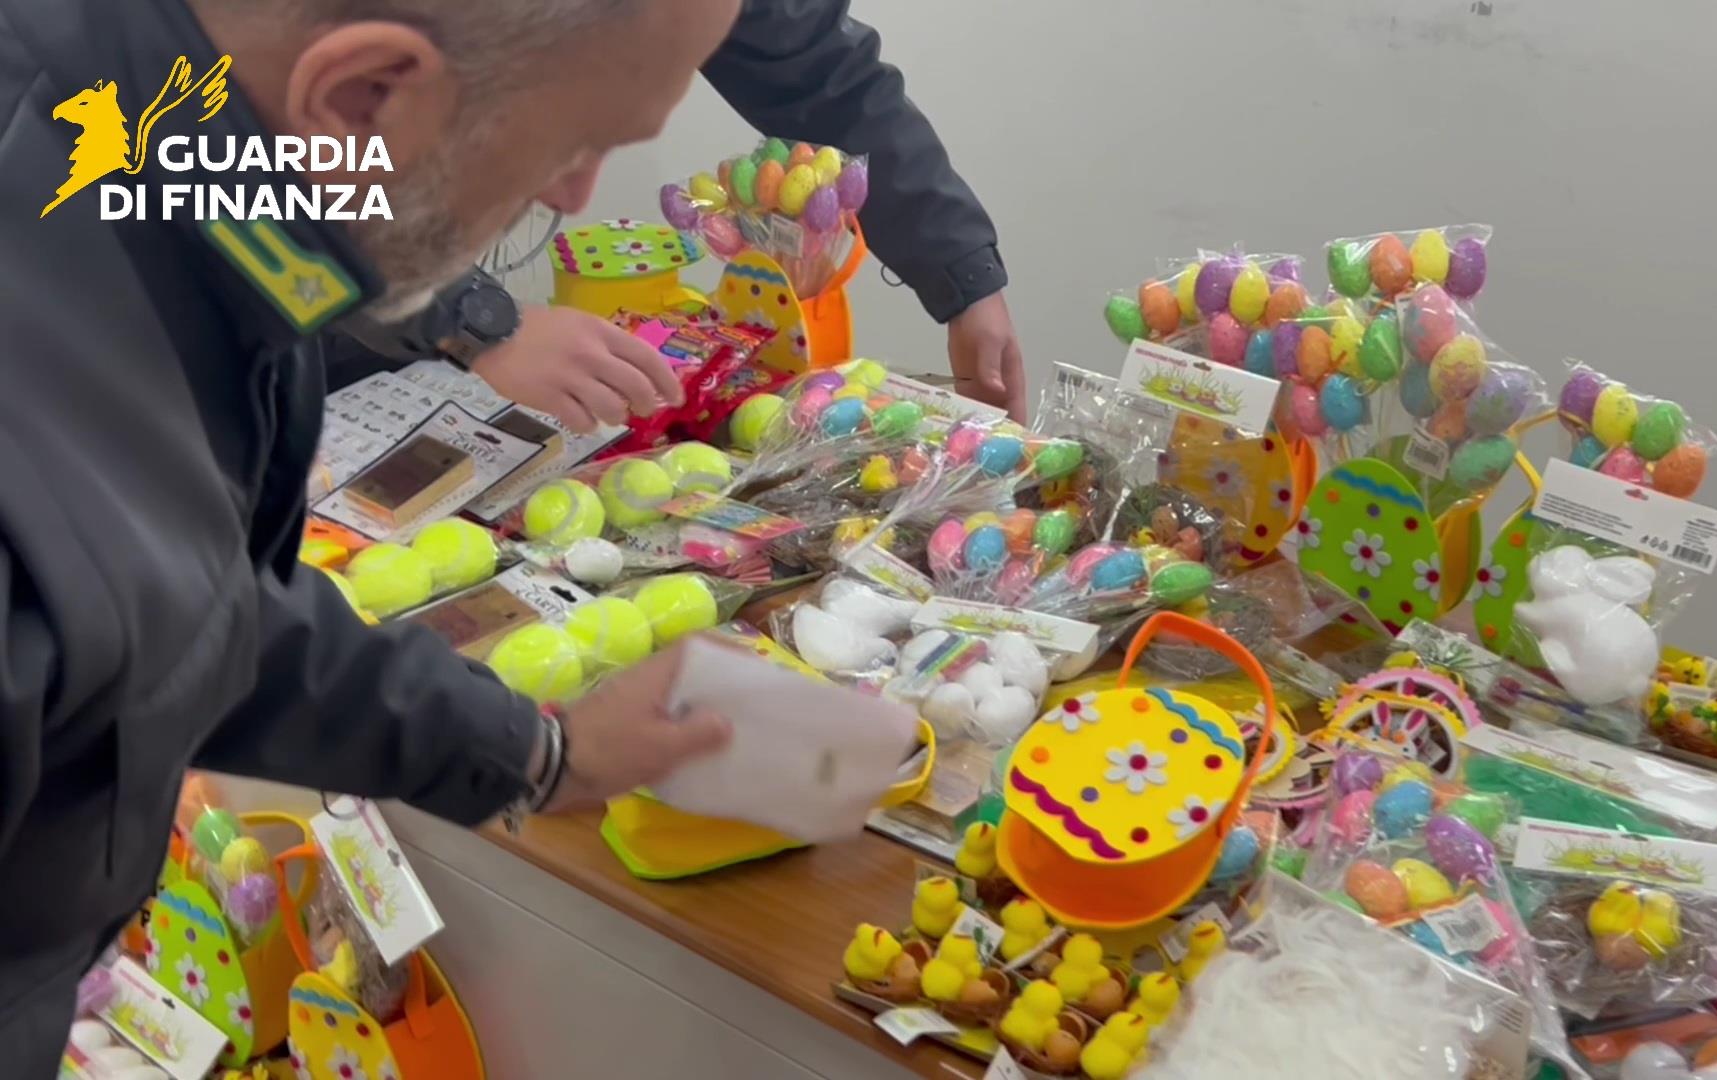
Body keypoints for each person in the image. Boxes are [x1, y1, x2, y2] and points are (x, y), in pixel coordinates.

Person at [0, 0, 751, 1072]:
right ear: (361, 97)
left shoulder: (168, 184)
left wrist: (532, 754)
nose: (575, 195)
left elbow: (181, 601)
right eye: (577, 145)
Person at [369, 0, 1028, 424]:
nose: (574, 199)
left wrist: (961, 271)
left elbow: (818, 74)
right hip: (336, 312)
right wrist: (468, 317)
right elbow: (305, 172)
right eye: (571, 138)